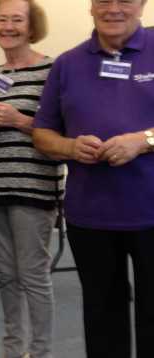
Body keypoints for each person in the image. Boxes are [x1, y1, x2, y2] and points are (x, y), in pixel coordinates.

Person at [33, 1, 154, 357]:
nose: (113, 8)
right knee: (101, 318)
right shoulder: (68, 64)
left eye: (124, 0)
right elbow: (43, 133)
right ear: (91, 6)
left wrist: (143, 141)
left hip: (152, 213)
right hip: (91, 215)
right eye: (104, 0)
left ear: (143, 4)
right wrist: (70, 147)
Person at [0, 2, 62, 358]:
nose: (8, 26)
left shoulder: (51, 69)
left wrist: (19, 119)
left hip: (34, 187)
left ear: (31, 27)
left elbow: (62, 130)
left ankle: (39, 352)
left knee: (33, 276)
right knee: (7, 277)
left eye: (17, 20)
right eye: (2, 19)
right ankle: (13, 350)